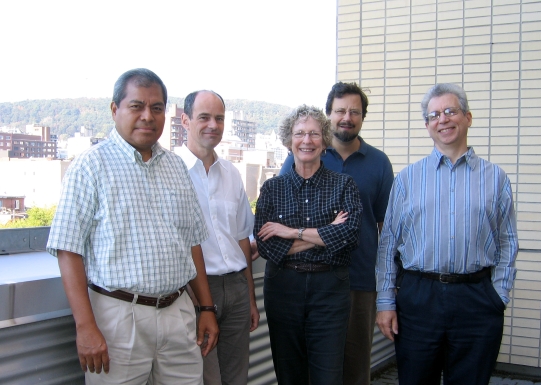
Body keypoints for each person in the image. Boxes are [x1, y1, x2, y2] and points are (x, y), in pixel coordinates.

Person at [46, 68, 219, 384]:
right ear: (115, 110)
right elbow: (67, 250)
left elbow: (192, 242)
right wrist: (85, 327)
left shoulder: (176, 167)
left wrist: (206, 307)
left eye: (156, 108)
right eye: (136, 106)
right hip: (118, 318)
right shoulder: (90, 166)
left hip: (178, 312)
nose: (147, 116)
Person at [376, 83, 518, 385]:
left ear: (468, 117)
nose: (443, 119)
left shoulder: (495, 178)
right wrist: (386, 302)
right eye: (434, 115)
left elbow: (507, 241)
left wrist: (499, 295)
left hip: (477, 298)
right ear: (427, 125)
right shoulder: (408, 179)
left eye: (450, 111)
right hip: (418, 298)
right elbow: (388, 243)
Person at [279, 82, 394, 385]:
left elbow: (386, 230)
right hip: (309, 278)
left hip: (359, 281)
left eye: (354, 112)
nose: (347, 117)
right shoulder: (303, 153)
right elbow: (279, 216)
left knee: (355, 368)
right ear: (328, 114)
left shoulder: (379, 163)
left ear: (362, 117)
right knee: (308, 365)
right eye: (340, 110)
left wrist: (387, 287)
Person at [254, 105, 362, 385]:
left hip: (330, 289)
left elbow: (349, 235)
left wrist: (291, 232)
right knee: (289, 375)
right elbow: (267, 248)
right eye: (299, 133)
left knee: (328, 376)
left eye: (314, 133)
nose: (307, 140)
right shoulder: (271, 188)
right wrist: (327, 233)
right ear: (288, 141)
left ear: (325, 141)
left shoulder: (343, 184)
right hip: (283, 287)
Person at [174, 90, 259, 385]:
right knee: (204, 377)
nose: (213, 125)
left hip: (235, 288)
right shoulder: (171, 172)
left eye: (219, 118)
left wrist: (249, 297)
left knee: (237, 378)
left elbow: (240, 239)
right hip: (194, 291)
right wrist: (200, 302)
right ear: (185, 121)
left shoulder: (231, 174)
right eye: (204, 117)